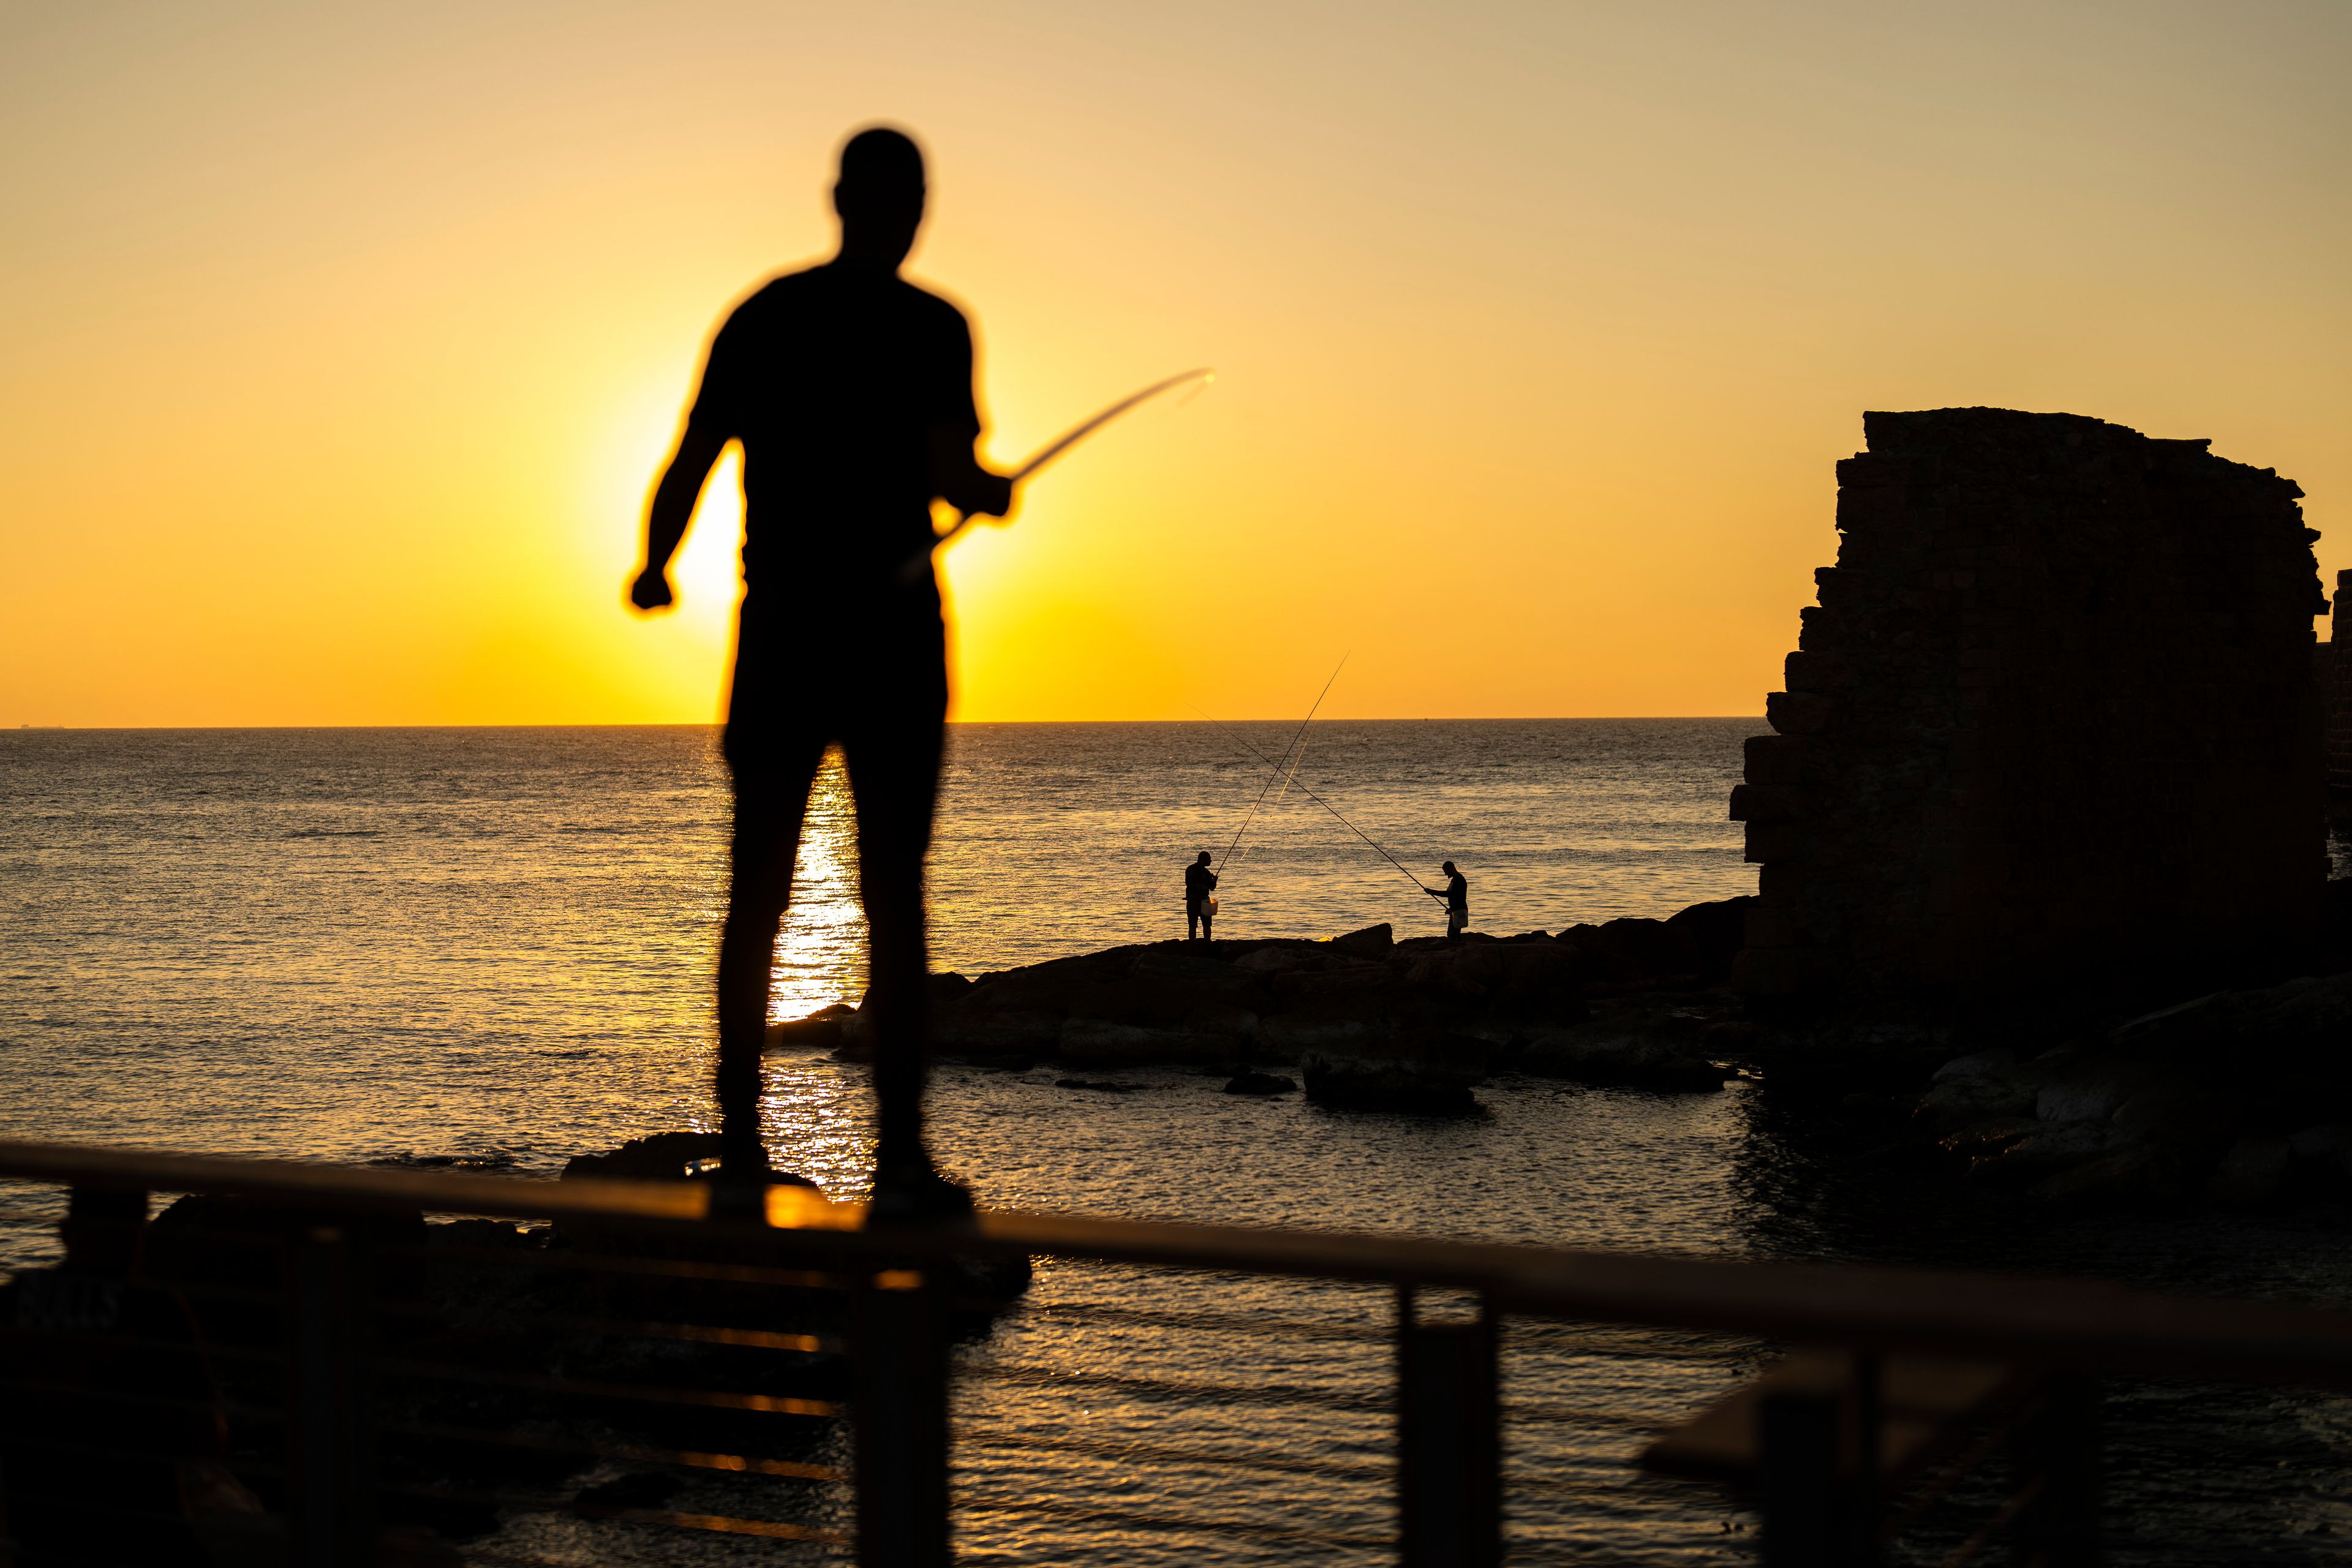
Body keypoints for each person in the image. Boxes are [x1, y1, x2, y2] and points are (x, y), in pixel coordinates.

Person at [628, 126, 1012, 1224]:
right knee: (894, 894)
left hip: (784, 632)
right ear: (905, 206)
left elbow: (693, 452)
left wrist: (656, 562)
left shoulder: (767, 316)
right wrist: (987, 495)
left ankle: (747, 1146)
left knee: (760, 890)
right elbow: (952, 475)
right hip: (889, 635)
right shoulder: (935, 327)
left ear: (840, 198)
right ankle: (897, 1164)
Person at [1427, 860, 1469, 941]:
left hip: (1459, 910)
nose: (1445, 874)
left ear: (1451, 869)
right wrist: (1432, 892)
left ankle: (1457, 950)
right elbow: (1449, 894)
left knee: (1452, 934)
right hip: (1456, 910)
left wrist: (1452, 908)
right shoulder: (1454, 880)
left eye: (1446, 871)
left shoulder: (1459, 880)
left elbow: (1458, 897)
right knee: (1454, 933)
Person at [1185, 851, 1218, 942]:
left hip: (1192, 901)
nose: (1211, 861)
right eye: (1209, 859)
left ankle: (1192, 943)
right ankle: (1207, 943)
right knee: (1207, 925)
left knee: (1192, 925)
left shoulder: (1189, 869)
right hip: (1204, 901)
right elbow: (1212, 888)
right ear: (1203, 860)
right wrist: (1214, 880)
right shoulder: (1206, 872)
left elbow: (1189, 884)